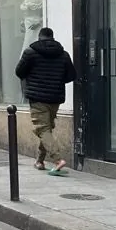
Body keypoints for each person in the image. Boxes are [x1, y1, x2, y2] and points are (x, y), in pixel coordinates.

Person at [14, 27, 76, 176]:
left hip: (37, 97)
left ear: (39, 37)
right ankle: (39, 161)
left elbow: (19, 72)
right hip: (55, 97)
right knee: (46, 128)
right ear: (52, 37)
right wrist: (56, 80)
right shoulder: (63, 54)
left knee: (42, 129)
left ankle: (58, 160)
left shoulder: (30, 52)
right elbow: (71, 75)